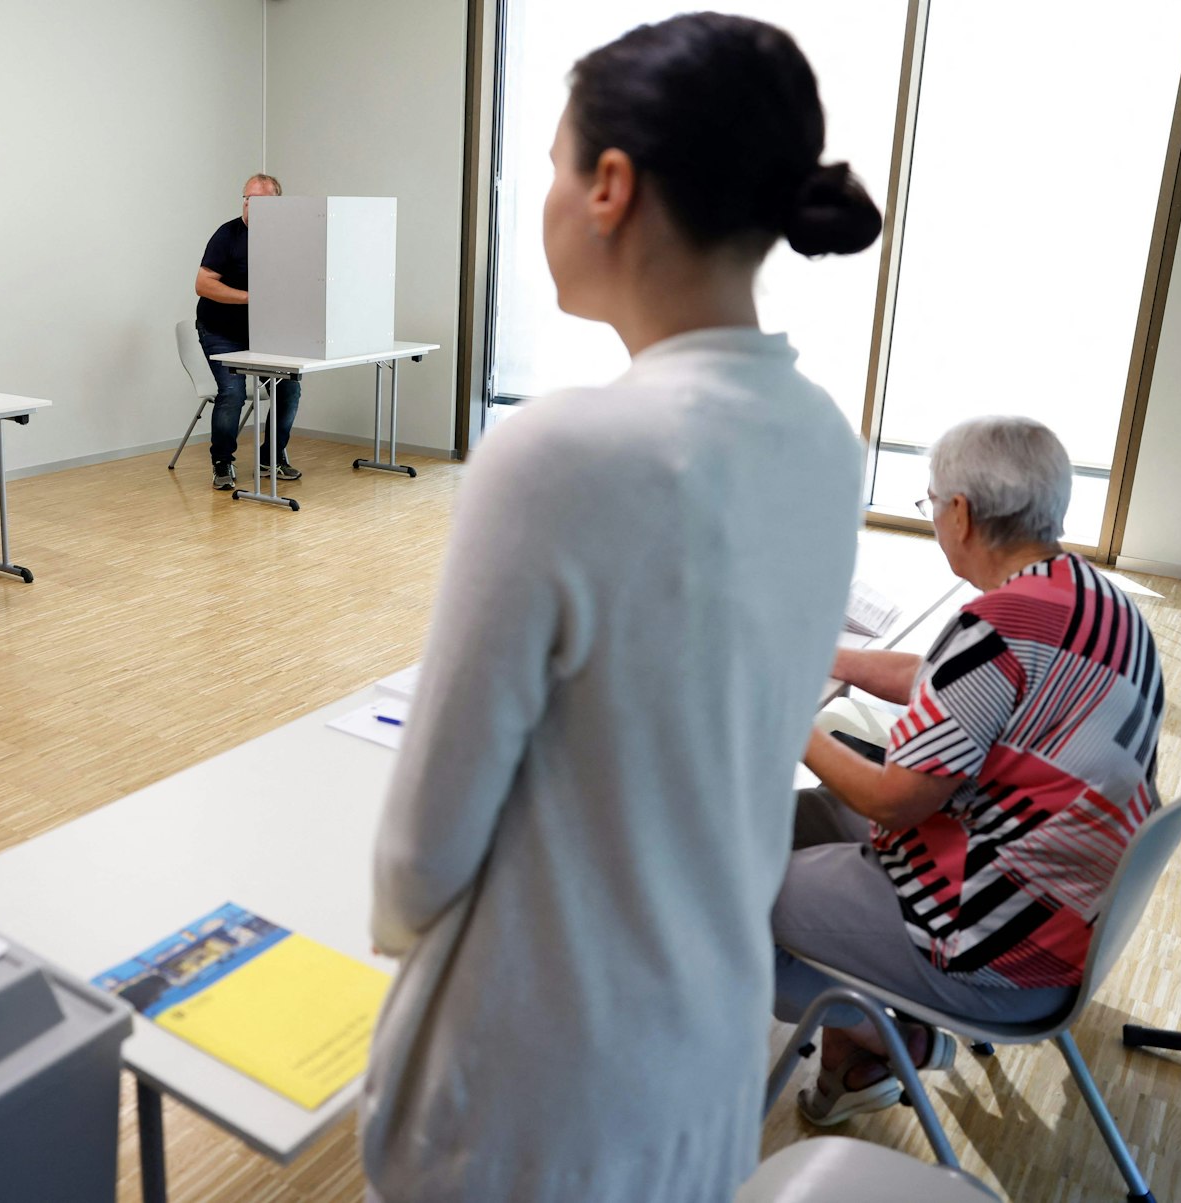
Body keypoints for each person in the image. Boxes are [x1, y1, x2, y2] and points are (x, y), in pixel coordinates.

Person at [360, 15, 883, 1202]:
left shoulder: (560, 454)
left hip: (536, 1085)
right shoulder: (823, 440)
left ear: (608, 184)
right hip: (700, 1056)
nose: (542, 195)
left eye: (551, 164)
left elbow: (417, 855)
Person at [776, 415, 1164, 1123]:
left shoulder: (998, 626)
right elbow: (945, 677)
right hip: (1050, 906)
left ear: (959, 513)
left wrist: (781, 713)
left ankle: (894, 1038)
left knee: (719, 893)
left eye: (930, 502)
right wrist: (827, 656)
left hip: (994, 940)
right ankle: (853, 1065)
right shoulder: (1091, 597)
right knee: (780, 825)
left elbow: (895, 803)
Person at [195, 173, 301, 490]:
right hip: (221, 329)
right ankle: (223, 462)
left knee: (290, 387)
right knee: (232, 393)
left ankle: (271, 458)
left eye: (259, 200)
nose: (250, 205)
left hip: (268, 331)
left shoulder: (288, 237)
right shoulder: (227, 235)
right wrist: (251, 298)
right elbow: (203, 285)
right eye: (246, 198)